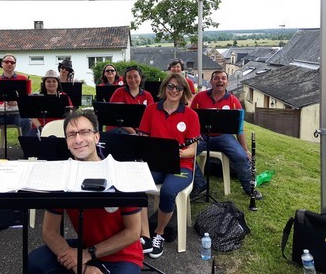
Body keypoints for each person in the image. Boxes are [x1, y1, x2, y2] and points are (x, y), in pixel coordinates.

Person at [28, 111, 143, 274]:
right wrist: (79, 265)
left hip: (123, 255)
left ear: (97, 137)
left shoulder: (120, 174)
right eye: (71, 135)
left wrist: (86, 255)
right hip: (86, 246)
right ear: (67, 142)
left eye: (84, 132)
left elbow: (133, 232)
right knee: (35, 262)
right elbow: (49, 231)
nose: (78, 139)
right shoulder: (62, 177)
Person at [138, 73, 200, 258]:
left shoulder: (191, 115)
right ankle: (144, 234)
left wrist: (178, 153)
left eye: (178, 88)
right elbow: (143, 138)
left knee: (168, 191)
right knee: (137, 185)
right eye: (170, 86)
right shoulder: (150, 110)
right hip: (156, 162)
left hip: (182, 165)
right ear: (164, 88)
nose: (174, 90)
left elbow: (193, 149)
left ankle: (159, 233)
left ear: (184, 92)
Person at [190, 70, 262, 200]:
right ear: (211, 82)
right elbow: (190, 119)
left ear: (227, 82)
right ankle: (200, 185)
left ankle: (249, 188)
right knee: (187, 155)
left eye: (223, 78)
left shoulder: (234, 101)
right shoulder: (199, 97)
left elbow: (239, 129)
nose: (220, 81)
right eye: (216, 78)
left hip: (224, 137)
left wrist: (245, 150)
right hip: (202, 136)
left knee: (241, 157)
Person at [0, 54, 32, 161]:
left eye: (12, 62)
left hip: (17, 114)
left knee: (27, 121)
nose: (9, 64)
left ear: (15, 65)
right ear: (2, 64)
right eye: (7, 62)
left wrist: (17, 103)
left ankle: (28, 152)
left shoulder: (23, 80)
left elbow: (29, 100)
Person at [108, 65, 154, 134]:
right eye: (129, 77)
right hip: (119, 128)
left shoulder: (148, 95)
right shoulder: (119, 92)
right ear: (125, 79)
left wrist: (142, 130)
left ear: (140, 78)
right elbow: (115, 115)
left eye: (135, 77)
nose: (132, 80)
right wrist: (133, 132)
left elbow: (151, 116)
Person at [30, 69, 74, 134]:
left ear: (57, 83)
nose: (51, 83)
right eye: (48, 81)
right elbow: (32, 115)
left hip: (59, 126)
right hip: (40, 126)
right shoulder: (37, 97)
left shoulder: (64, 96)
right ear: (44, 84)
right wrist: (40, 127)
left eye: (54, 81)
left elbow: (69, 113)